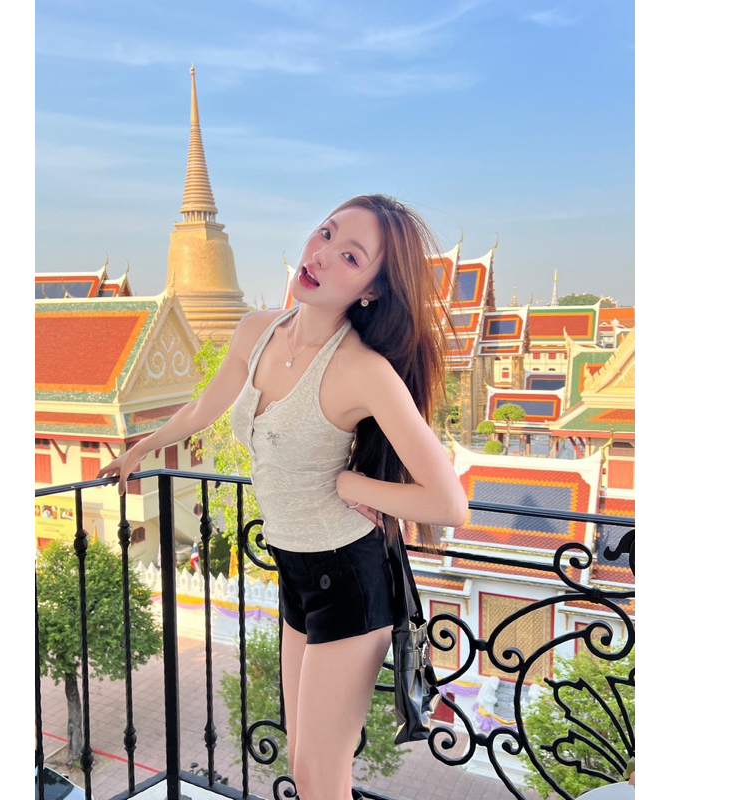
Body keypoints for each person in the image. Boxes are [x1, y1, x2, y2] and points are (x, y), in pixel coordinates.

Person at [98, 194, 467, 800]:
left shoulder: (362, 370)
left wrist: (352, 484)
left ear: (371, 290)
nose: (320, 254)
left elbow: (450, 504)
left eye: (350, 256)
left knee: (320, 779)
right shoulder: (258, 329)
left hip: (348, 580)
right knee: (304, 765)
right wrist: (142, 449)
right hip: (296, 571)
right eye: (325, 233)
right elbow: (204, 405)